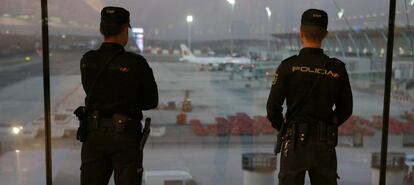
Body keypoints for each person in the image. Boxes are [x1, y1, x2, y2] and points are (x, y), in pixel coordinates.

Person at [266, 9, 353, 185]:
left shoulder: (288, 67)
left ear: (301, 32)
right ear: (326, 34)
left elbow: (272, 108)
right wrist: (330, 123)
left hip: (295, 144)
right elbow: (346, 109)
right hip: (324, 144)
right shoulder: (336, 69)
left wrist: (284, 127)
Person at [79, 6, 158, 185]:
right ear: (124, 30)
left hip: (93, 134)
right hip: (125, 137)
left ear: (102, 30)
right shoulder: (136, 63)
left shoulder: (87, 60)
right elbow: (151, 101)